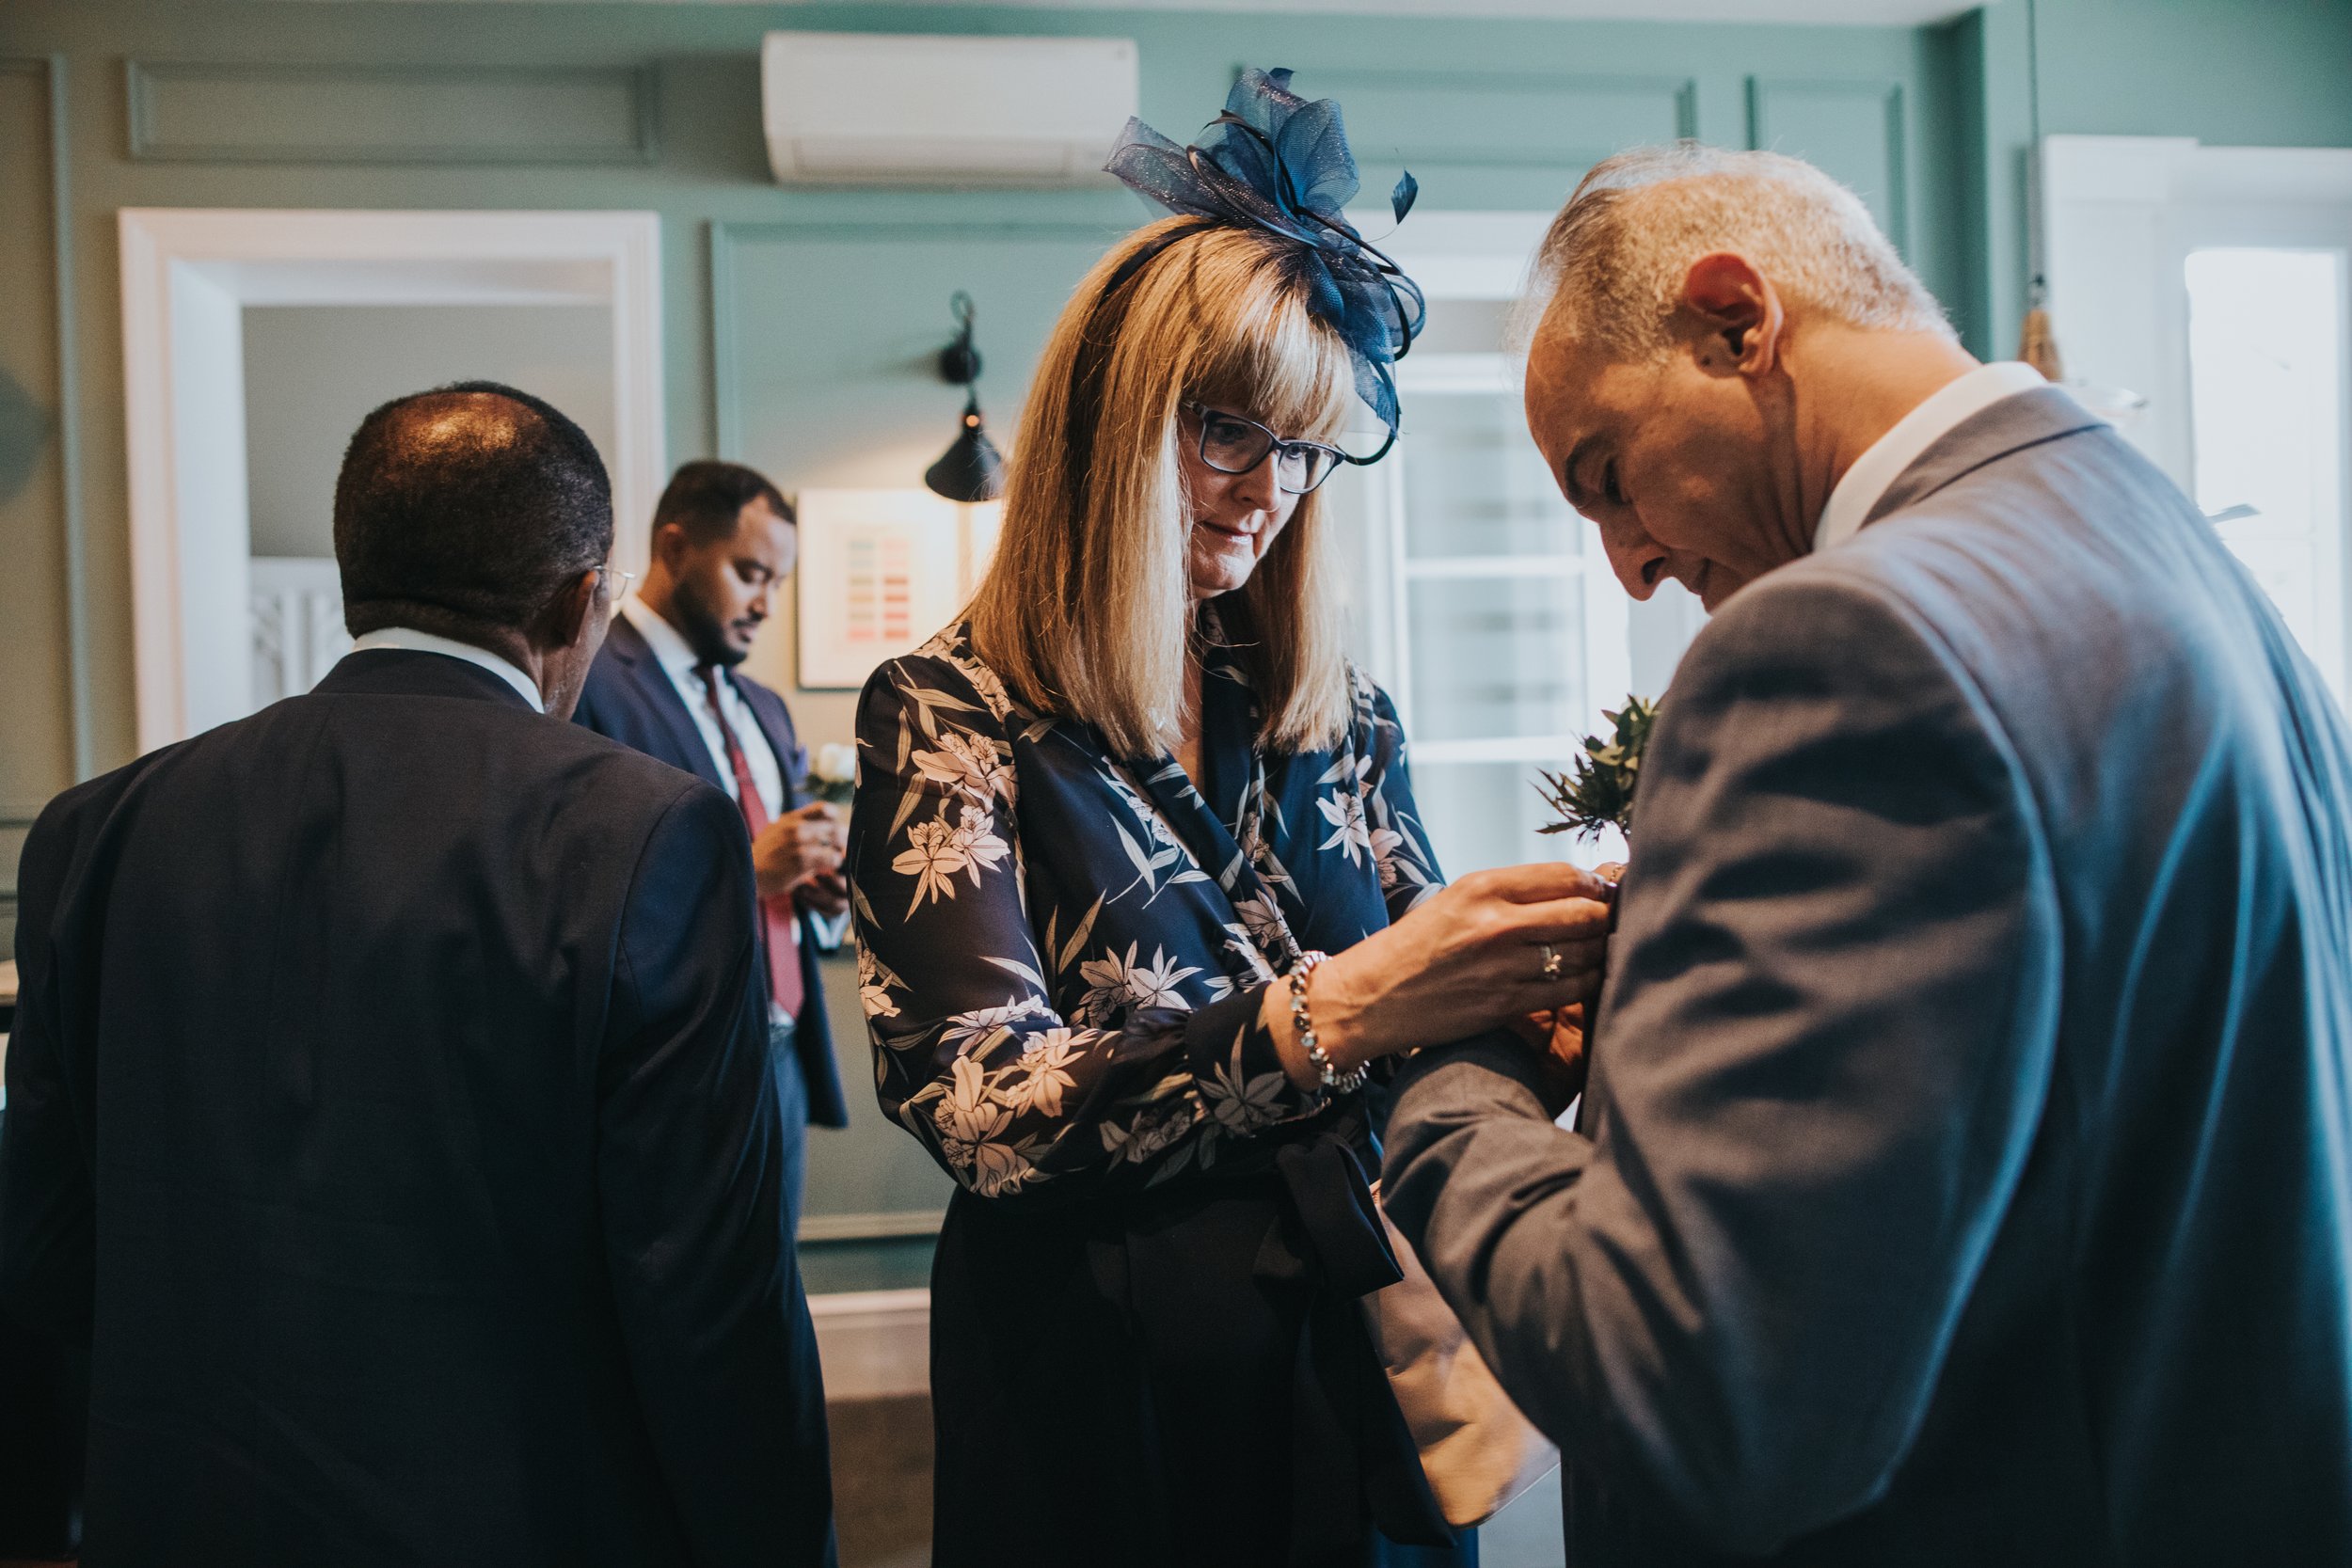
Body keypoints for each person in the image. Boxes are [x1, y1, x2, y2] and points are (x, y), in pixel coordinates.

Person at [1379, 144, 2352, 1566]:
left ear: (1736, 320)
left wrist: (1451, 1078)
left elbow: (1702, 1397)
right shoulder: (2179, 551)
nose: (1630, 566)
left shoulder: (1843, 641)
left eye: (1609, 477)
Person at [848, 71, 1608, 1568]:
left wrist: (1529, 1016)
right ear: (1104, 428)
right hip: (1099, 1369)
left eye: (1312, 448)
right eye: (1229, 435)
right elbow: (983, 1112)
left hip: (1359, 1338)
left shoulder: (1340, 706)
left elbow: (1421, 1007)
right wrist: (1342, 1009)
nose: (1272, 492)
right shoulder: (947, 710)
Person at [0, 383, 835, 1566]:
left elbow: (42, 1247)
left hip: (178, 1506)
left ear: (360, 578)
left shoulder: (99, 827)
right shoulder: (644, 834)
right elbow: (706, 1298)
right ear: (579, 598)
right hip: (516, 1514)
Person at [573, 460, 850, 1220]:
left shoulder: (765, 705)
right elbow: (577, 890)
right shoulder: (590, 683)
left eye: (778, 583)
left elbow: (785, 883)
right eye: (750, 572)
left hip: (783, 1053)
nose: (765, 604)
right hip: (669, 1066)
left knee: (769, 1297)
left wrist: (821, 887)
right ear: (674, 547)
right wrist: (747, 874)